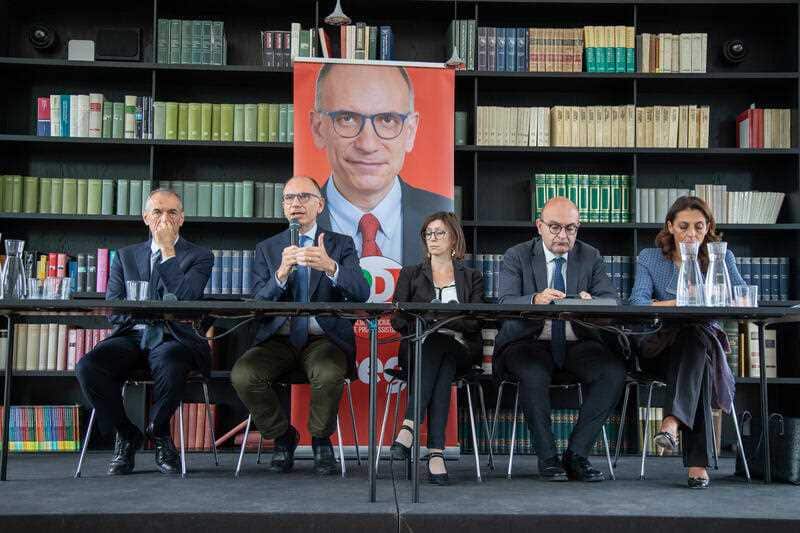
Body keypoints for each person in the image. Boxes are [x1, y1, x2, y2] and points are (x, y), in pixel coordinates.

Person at [230, 176, 370, 475]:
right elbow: (256, 303)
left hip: (324, 339)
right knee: (243, 374)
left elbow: (361, 292)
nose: (296, 203)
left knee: (330, 371)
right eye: (289, 198)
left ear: (319, 205)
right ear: (283, 207)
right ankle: (283, 437)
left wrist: (331, 267)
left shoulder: (339, 245)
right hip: (277, 341)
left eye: (304, 197)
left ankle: (320, 439)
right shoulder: (267, 249)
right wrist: (280, 274)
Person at [76, 189, 213, 475]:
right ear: (145, 218)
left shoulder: (200, 256)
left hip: (172, 336)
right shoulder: (125, 257)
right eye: (158, 212)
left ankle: (159, 430)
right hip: (131, 335)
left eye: (172, 212)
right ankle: (127, 434)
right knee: (89, 367)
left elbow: (187, 300)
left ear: (182, 218)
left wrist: (168, 253)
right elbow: (115, 309)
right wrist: (152, 313)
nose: (165, 218)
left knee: (172, 361)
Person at [493, 196, 625, 482]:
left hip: (577, 341)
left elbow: (612, 300)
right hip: (528, 341)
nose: (563, 236)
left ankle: (576, 455)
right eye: (554, 227)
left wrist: (593, 302)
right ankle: (548, 459)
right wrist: (536, 300)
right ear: (539, 226)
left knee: (613, 373)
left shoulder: (590, 256)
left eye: (570, 228)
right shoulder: (516, 255)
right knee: (532, 373)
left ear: (579, 228)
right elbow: (504, 302)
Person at [629, 195, 745, 489]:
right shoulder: (650, 258)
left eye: (699, 226)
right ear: (670, 226)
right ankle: (696, 464)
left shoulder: (721, 258)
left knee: (695, 342)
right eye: (683, 226)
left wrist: (720, 293)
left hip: (697, 349)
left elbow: (741, 297)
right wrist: (680, 303)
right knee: (695, 342)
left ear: (708, 228)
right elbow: (638, 303)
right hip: (657, 347)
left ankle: (671, 425)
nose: (691, 234)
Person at [309, 62, 452, 265]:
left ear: (410, 132)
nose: (367, 145)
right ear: (317, 129)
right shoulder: (297, 220)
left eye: (387, 120)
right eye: (347, 118)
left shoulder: (443, 214)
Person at [388, 212, 484, 485]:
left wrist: (442, 319)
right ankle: (436, 454)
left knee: (441, 343)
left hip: (461, 349)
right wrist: (433, 317)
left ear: (454, 237)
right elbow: (397, 319)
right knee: (438, 354)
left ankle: (409, 426)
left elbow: (475, 321)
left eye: (439, 232)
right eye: (428, 233)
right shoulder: (410, 274)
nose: (433, 238)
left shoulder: (472, 276)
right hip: (418, 349)